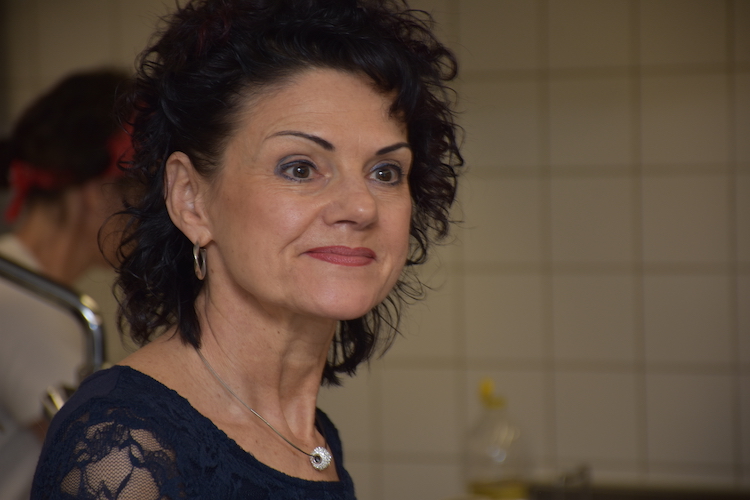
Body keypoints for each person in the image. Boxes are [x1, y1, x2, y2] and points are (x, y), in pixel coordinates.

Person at [32, 0, 462, 498]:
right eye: (299, 168)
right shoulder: (124, 447)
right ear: (191, 200)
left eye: (385, 172)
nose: (361, 207)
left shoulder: (312, 438)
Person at [0, 69, 132, 500]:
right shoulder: (25, 304)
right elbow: (113, 467)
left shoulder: (24, 286)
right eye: (140, 189)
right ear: (97, 191)